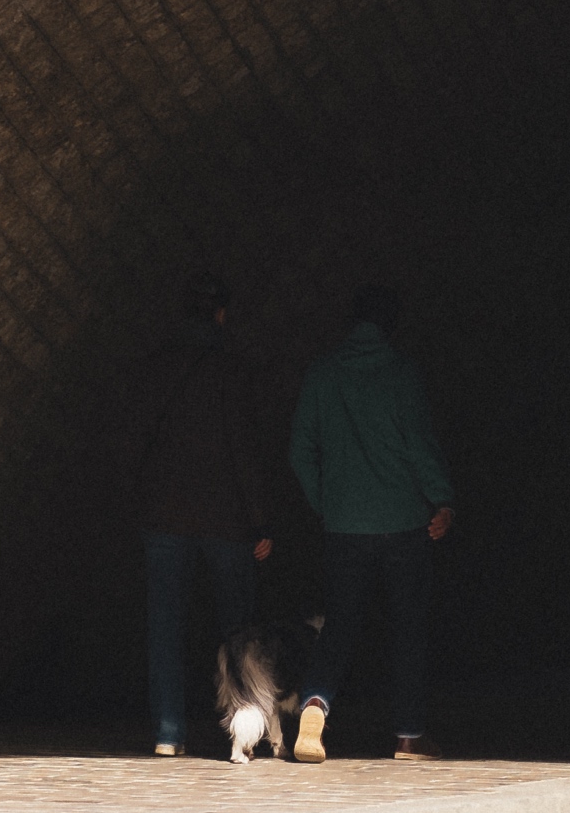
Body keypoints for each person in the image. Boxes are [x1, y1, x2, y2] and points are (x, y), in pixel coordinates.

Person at [288, 283, 453, 762]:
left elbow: (300, 451)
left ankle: (315, 706)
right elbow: (420, 444)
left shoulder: (321, 374)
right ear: (391, 324)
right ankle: (408, 736)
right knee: (406, 627)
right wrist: (442, 499)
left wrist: (327, 503)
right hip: (403, 523)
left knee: (339, 624)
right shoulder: (402, 372)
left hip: (343, 526)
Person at [136, 274, 272, 755]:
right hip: (225, 519)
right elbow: (244, 450)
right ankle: (242, 732)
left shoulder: (154, 367)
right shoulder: (234, 369)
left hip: (163, 515)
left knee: (165, 627)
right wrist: (260, 520)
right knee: (237, 631)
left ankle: (168, 733)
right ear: (221, 314)